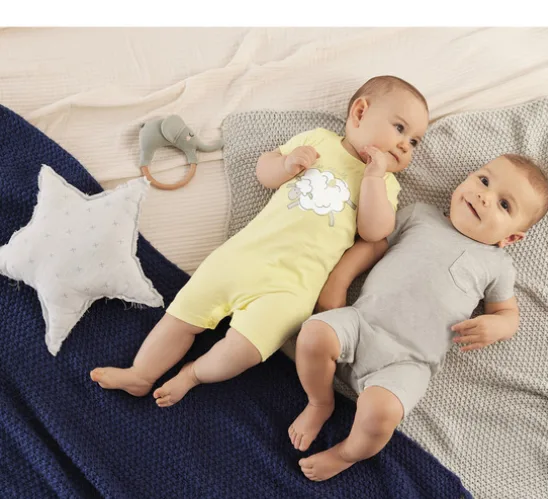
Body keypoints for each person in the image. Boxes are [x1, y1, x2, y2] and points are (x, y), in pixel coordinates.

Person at [90, 76, 429, 407]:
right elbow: (264, 172)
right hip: (242, 257)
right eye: (400, 128)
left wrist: (373, 178)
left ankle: (194, 374)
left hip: (293, 287)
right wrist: (286, 164)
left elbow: (374, 231)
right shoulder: (319, 140)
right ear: (360, 112)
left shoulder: (385, 185)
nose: (405, 145)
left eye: (414, 141)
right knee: (182, 316)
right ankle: (141, 373)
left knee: (245, 350)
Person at [290, 154, 548, 481]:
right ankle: (319, 402)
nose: (485, 196)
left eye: (504, 205)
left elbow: (508, 313)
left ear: (510, 238)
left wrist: (497, 326)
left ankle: (346, 453)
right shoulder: (420, 215)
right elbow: (372, 246)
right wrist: (338, 281)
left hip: (408, 363)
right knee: (313, 334)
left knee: (382, 413)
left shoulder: (497, 265)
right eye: (484, 181)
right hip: (361, 324)